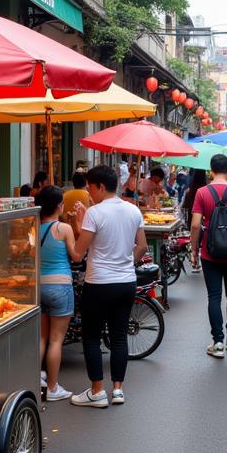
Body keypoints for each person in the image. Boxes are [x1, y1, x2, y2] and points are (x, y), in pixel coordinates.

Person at [69, 165, 147, 408]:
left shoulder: (94, 213)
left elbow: (77, 253)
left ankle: (97, 391)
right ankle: (118, 390)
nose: (89, 193)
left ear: (101, 187)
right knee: (119, 336)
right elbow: (142, 246)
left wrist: (75, 226)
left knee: (92, 336)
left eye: (91, 187)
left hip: (99, 283)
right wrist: (125, 263)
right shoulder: (133, 210)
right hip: (126, 282)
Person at [190, 154, 227, 358]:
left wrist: (193, 251)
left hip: (210, 253)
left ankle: (217, 342)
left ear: (211, 169)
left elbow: (196, 224)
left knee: (214, 296)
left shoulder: (201, 193)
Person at [34, 186, 76, 402]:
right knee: (56, 340)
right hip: (60, 286)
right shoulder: (63, 228)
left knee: (42, 338)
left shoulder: (34, 228)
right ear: (59, 205)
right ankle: (52, 388)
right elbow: (77, 255)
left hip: (38, 287)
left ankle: (34, 381)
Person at [182, 169, 208, 272]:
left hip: (192, 218)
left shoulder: (190, 192)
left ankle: (195, 258)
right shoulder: (206, 191)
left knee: (195, 239)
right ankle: (201, 258)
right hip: (204, 219)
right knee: (204, 239)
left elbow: (185, 207)